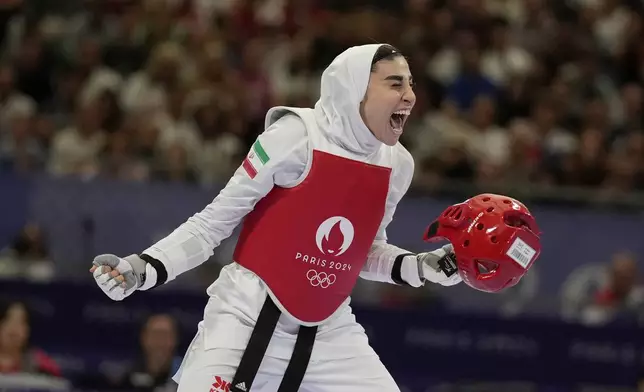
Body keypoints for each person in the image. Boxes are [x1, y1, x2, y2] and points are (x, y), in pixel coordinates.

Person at [90, 44, 462, 392]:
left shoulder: (397, 165)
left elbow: (364, 252)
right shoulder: (295, 137)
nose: (410, 97)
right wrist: (144, 267)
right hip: (243, 319)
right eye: (395, 84)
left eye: (411, 85)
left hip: (330, 332)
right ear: (355, 89)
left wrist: (421, 266)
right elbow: (213, 224)